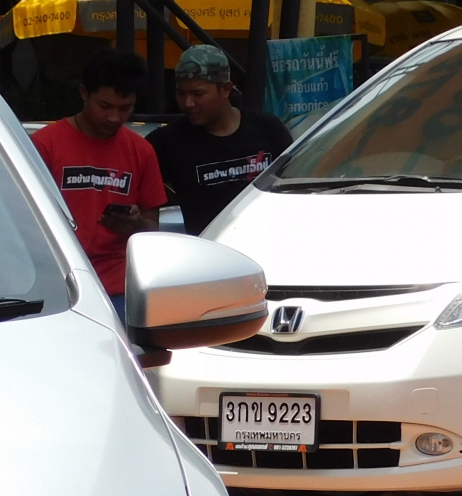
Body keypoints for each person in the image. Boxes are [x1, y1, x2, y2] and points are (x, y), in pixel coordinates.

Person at [32, 47, 165, 321]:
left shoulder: (141, 151)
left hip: (119, 289)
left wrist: (135, 225)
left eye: (125, 108)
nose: (114, 117)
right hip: (59, 284)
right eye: (105, 106)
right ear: (84, 93)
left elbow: (152, 229)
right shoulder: (45, 145)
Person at [147, 44, 293, 236]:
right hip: (210, 250)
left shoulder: (267, 127)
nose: (188, 103)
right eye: (181, 93)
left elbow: (295, 184)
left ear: (226, 89)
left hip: (267, 242)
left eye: (198, 94)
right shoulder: (167, 142)